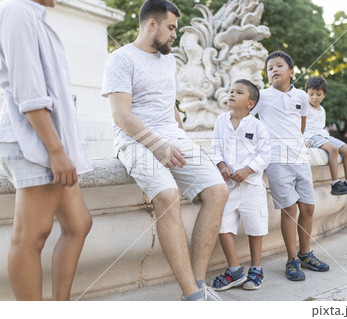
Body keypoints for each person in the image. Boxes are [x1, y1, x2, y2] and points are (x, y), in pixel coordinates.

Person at [101, 0, 229, 301]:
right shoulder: (120, 59)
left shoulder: (169, 61)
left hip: (172, 136)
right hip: (133, 140)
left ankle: (199, 283)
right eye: (171, 27)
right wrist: (157, 144)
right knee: (168, 195)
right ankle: (192, 297)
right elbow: (121, 114)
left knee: (218, 191)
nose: (175, 35)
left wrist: (181, 138)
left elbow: (168, 105)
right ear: (151, 24)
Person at [0, 0, 92, 300]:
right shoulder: (16, 10)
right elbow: (27, 91)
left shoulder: (35, 15)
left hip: (50, 139)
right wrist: (55, 150)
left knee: (78, 224)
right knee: (30, 238)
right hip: (33, 139)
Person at [251, 51, 329, 282]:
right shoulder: (262, 97)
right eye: (270, 68)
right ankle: (292, 259)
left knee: (308, 208)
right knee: (290, 210)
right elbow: (245, 118)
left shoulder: (302, 98)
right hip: (276, 161)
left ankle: (305, 253)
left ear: (291, 72)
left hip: (300, 159)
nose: (274, 70)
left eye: (279, 66)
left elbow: (301, 125)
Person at [210, 79, 271, 291]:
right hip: (227, 187)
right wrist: (221, 165)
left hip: (251, 187)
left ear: (250, 104)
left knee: (255, 227)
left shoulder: (257, 126)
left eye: (238, 92)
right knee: (223, 226)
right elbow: (215, 147)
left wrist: (247, 170)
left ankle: (256, 268)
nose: (231, 94)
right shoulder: (220, 121)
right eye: (231, 91)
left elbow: (265, 154)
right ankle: (235, 270)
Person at [304, 76, 347, 196]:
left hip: (323, 135)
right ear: (306, 93)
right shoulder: (304, 107)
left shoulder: (322, 109)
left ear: (324, 95)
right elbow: (297, 125)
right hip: (310, 136)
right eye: (311, 94)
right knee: (333, 149)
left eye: (318, 94)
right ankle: (336, 184)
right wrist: (302, 140)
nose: (314, 97)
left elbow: (321, 128)